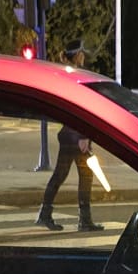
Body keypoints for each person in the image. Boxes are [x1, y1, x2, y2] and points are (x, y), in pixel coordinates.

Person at [36, 45, 105, 232]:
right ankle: (84, 220)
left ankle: (45, 214)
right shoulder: (77, 75)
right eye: (82, 53)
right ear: (78, 56)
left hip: (70, 134)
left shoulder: (69, 74)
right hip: (76, 136)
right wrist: (83, 136)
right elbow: (79, 108)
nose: (84, 56)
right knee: (84, 175)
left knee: (61, 174)